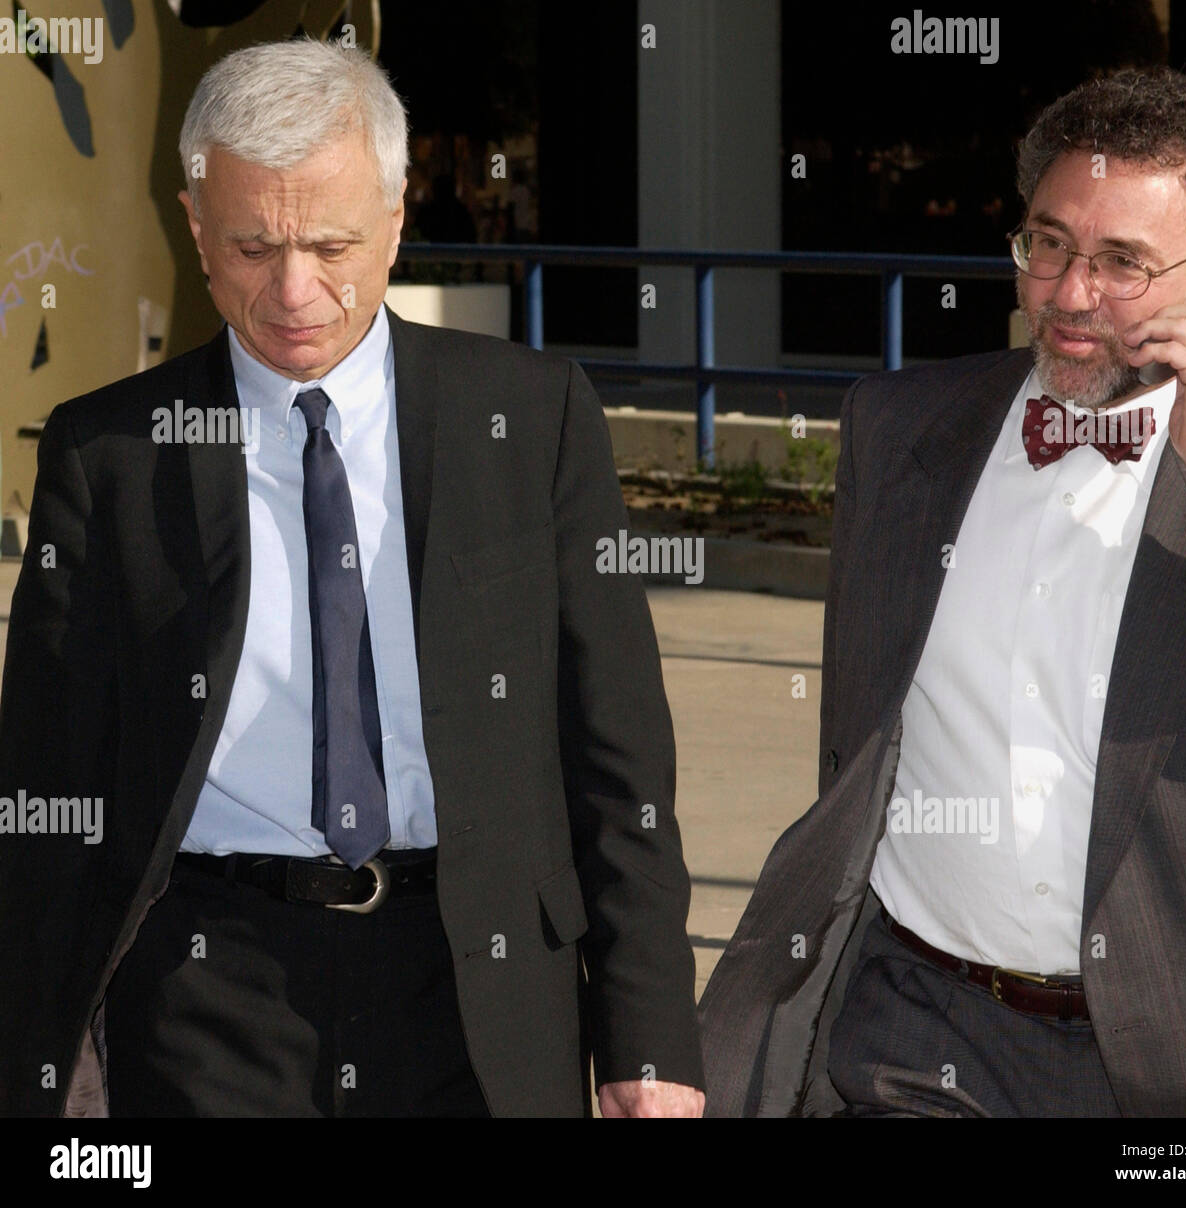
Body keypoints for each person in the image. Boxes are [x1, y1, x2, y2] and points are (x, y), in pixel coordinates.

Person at [0, 37, 705, 1119]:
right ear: (194, 228)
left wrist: (648, 1035)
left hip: (479, 986)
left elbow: (616, 754)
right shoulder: (108, 455)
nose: (293, 290)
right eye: (250, 245)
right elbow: (49, 782)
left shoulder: (530, 419)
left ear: (395, 214)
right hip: (203, 992)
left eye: (329, 244)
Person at [700, 67, 1186, 1117]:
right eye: (1049, 243)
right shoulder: (900, 424)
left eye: (1122, 263)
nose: (1069, 295)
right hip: (919, 1028)